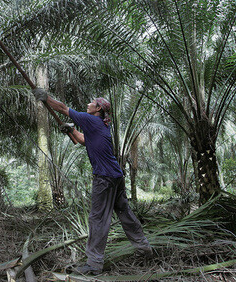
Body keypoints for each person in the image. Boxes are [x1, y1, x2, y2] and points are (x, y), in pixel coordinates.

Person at [33, 88, 152, 275]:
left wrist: (45, 98)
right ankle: (144, 248)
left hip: (104, 178)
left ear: (97, 109)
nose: (88, 104)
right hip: (116, 176)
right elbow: (84, 141)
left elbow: (63, 108)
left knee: (97, 218)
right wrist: (72, 130)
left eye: (92, 102)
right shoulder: (102, 126)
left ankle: (94, 263)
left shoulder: (91, 119)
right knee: (125, 213)